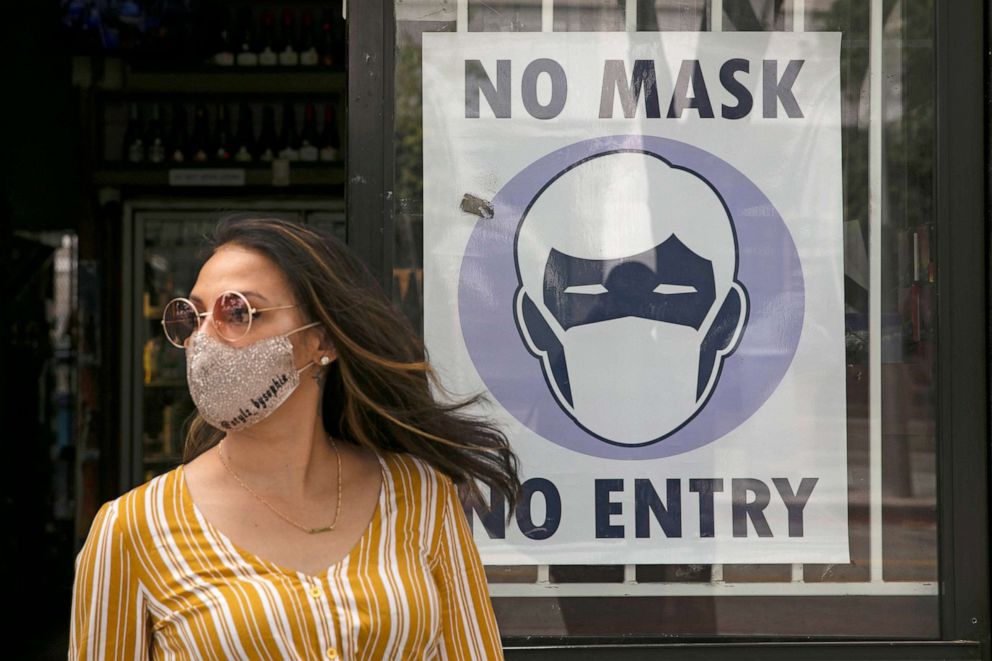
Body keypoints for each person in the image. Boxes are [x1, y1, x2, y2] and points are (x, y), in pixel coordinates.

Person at [69, 214, 522, 659]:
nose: (203, 340)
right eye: (193, 316)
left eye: (238, 311)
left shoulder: (422, 495)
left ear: (321, 342)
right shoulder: (131, 529)